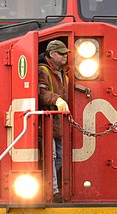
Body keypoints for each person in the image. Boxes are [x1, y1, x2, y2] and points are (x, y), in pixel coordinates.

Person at [37, 39, 91, 199]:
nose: (65, 57)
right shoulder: (43, 71)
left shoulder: (63, 74)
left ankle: (46, 182)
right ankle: (53, 190)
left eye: (66, 54)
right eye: (61, 54)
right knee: (52, 155)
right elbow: (42, 93)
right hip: (47, 122)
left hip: (59, 123)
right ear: (52, 54)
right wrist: (57, 100)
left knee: (60, 155)